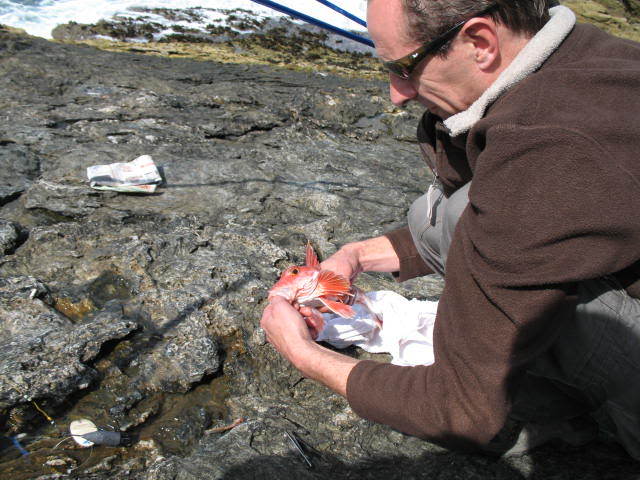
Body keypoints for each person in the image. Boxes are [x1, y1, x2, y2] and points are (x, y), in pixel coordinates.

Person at [261, 0, 640, 457]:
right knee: (460, 209)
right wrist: (358, 256)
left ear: (480, 43)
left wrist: (304, 354)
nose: (395, 95)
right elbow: (482, 216)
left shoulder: (549, 153)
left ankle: (579, 414)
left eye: (402, 68)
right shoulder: (586, 58)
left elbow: (457, 409)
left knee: (521, 329)